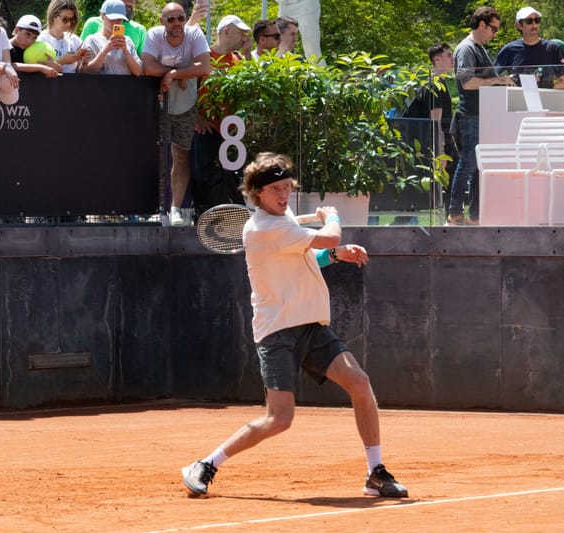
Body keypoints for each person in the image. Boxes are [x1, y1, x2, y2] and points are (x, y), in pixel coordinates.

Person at [181, 152, 408, 499]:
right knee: (280, 419)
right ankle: (206, 464)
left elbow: (308, 254)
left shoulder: (282, 220)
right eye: (275, 189)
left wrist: (334, 255)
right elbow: (328, 237)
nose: (284, 195)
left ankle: (375, 473)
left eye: (287, 187)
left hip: (311, 326)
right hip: (277, 332)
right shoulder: (266, 229)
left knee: (359, 383)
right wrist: (332, 219)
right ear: (257, 193)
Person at [142, 2, 210, 225]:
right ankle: (151, 208)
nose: (177, 23)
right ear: (163, 22)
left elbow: (205, 67)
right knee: (154, 156)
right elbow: (148, 67)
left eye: (180, 18)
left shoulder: (194, 34)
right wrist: (176, 74)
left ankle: (175, 209)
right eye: (171, 20)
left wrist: (174, 75)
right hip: (156, 103)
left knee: (181, 157)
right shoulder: (154, 35)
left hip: (186, 104)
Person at [446, 6, 515, 226]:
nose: (495, 35)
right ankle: (455, 213)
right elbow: (467, 82)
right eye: (493, 29)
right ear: (482, 24)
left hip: (483, 116)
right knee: (467, 163)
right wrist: (497, 80)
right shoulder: (466, 49)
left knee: (478, 166)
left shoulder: (479, 47)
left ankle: (475, 215)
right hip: (470, 116)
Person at [190, 14, 252, 218]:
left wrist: (248, 54)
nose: (244, 37)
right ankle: (202, 215)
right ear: (226, 32)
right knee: (204, 173)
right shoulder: (204, 56)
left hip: (233, 132)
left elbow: (251, 86)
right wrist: (196, 118)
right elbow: (190, 89)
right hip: (207, 127)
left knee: (235, 175)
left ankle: (236, 215)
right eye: (240, 32)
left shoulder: (239, 59)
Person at [404, 43, 458, 216]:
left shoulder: (438, 84)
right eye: (449, 55)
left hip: (440, 142)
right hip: (436, 143)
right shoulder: (434, 86)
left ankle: (450, 216)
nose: (453, 60)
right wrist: (440, 151)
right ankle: (450, 217)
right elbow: (436, 123)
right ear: (437, 59)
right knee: (452, 177)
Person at [493, 7, 564, 89]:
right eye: (529, 21)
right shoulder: (509, 50)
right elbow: (492, 77)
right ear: (519, 25)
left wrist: (545, 91)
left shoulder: (553, 48)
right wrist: (504, 81)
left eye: (537, 20)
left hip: (545, 100)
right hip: (517, 99)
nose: (534, 25)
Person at [78, 0, 142, 76]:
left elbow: (138, 72)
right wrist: (105, 50)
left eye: (119, 19)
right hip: (99, 87)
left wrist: (126, 52)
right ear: (102, 16)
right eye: (112, 19)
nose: (115, 22)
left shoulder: (127, 41)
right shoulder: (91, 40)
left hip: (124, 87)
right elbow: (85, 72)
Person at [38, 0, 90, 74]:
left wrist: (84, 63)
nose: (69, 24)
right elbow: (36, 69)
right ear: (54, 16)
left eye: (72, 20)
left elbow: (80, 74)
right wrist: (62, 61)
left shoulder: (75, 40)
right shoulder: (40, 39)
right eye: (65, 19)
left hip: (71, 84)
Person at [80, 0, 146, 55]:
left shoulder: (140, 30)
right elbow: (81, 57)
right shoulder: (93, 23)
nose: (130, 1)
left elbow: (142, 63)